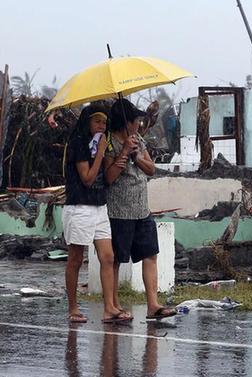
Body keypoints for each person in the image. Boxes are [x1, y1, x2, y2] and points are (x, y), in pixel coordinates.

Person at [104, 98, 176, 320]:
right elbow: (108, 177)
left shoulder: (139, 141)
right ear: (126, 122)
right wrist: (124, 153)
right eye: (135, 120)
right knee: (116, 259)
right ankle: (114, 305)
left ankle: (153, 305)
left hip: (142, 209)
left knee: (149, 254)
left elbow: (151, 169)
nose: (138, 124)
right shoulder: (109, 144)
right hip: (120, 211)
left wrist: (136, 156)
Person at [62, 105, 131, 323]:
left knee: (108, 257)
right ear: (87, 123)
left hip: (100, 206)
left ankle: (109, 307)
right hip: (80, 207)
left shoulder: (101, 143)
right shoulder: (79, 145)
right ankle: (73, 307)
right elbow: (88, 179)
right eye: (97, 122)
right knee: (76, 258)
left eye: (104, 122)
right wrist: (101, 152)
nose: (101, 126)